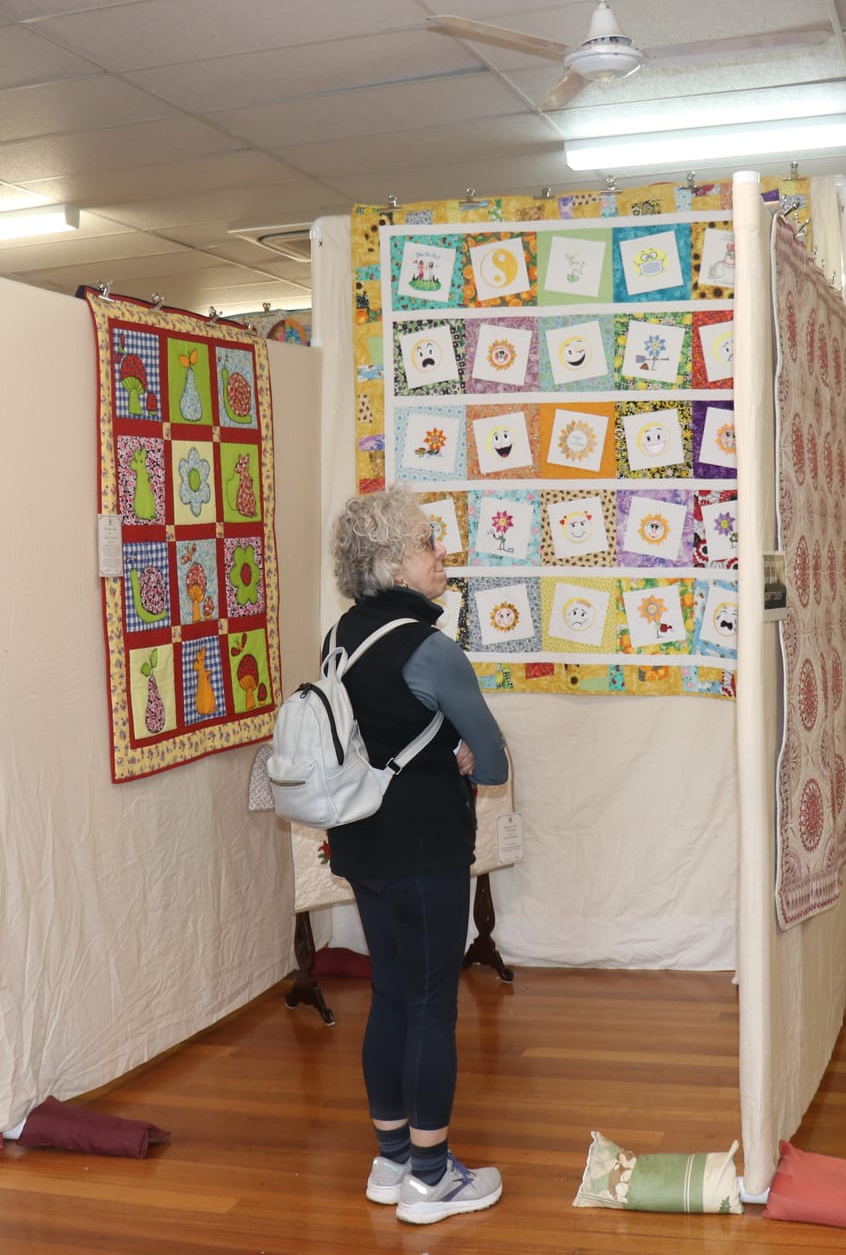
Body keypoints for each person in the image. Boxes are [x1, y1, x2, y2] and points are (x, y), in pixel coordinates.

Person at [325, 488, 510, 1225]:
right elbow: (493, 759)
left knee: (394, 992)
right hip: (427, 845)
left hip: (361, 840)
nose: (442, 554)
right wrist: (464, 755)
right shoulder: (432, 648)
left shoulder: (340, 635)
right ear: (394, 562)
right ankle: (433, 1178)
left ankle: (393, 1157)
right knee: (434, 1001)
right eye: (430, 542)